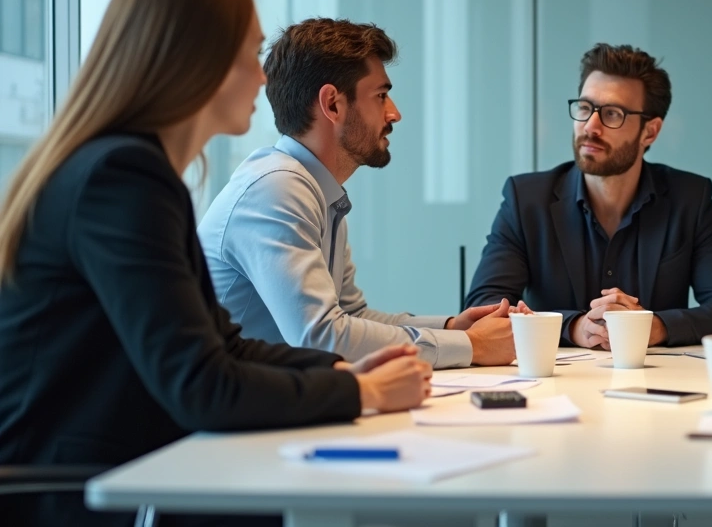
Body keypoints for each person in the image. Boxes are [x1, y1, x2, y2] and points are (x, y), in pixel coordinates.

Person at [0, 0, 431, 527]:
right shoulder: (122, 179)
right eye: (249, 55)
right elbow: (200, 386)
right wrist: (362, 394)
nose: (262, 78)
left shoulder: (135, 172)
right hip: (68, 493)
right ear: (192, 60)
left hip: (118, 468)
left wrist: (344, 373)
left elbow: (224, 344)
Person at [198, 19, 515, 369]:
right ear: (333, 104)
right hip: (234, 416)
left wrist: (454, 327)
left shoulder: (317, 190)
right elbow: (321, 337)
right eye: (381, 96)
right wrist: (470, 345)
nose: (394, 112)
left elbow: (351, 315)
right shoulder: (276, 188)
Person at [465, 43, 712, 349]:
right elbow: (487, 307)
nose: (591, 126)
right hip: (553, 384)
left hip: (653, 380)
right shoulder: (526, 200)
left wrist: (654, 327)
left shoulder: (689, 200)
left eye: (612, 114)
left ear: (650, 132)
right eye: (585, 108)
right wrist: (573, 326)